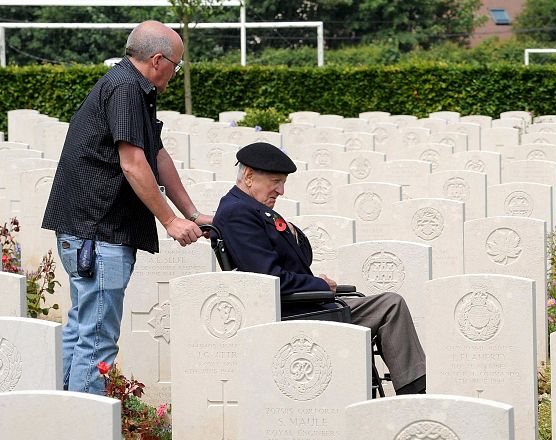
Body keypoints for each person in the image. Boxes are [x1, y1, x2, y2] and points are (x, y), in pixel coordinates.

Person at [41, 20, 213, 395]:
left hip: (88, 229)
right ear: (158, 60)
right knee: (97, 339)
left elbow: (156, 154)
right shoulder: (125, 90)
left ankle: (65, 416)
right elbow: (134, 163)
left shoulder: (132, 87)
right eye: (177, 64)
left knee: (82, 328)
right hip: (97, 232)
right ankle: (85, 438)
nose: (175, 71)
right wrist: (169, 220)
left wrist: (193, 214)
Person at [214, 142, 426, 395]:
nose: (281, 190)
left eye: (282, 183)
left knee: (390, 303)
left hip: (306, 304)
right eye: (275, 181)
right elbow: (268, 281)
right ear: (249, 176)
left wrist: (292, 232)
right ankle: (414, 396)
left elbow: (301, 259)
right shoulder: (239, 212)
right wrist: (321, 286)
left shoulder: (248, 208)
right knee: (390, 305)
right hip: (296, 312)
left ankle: (414, 393)